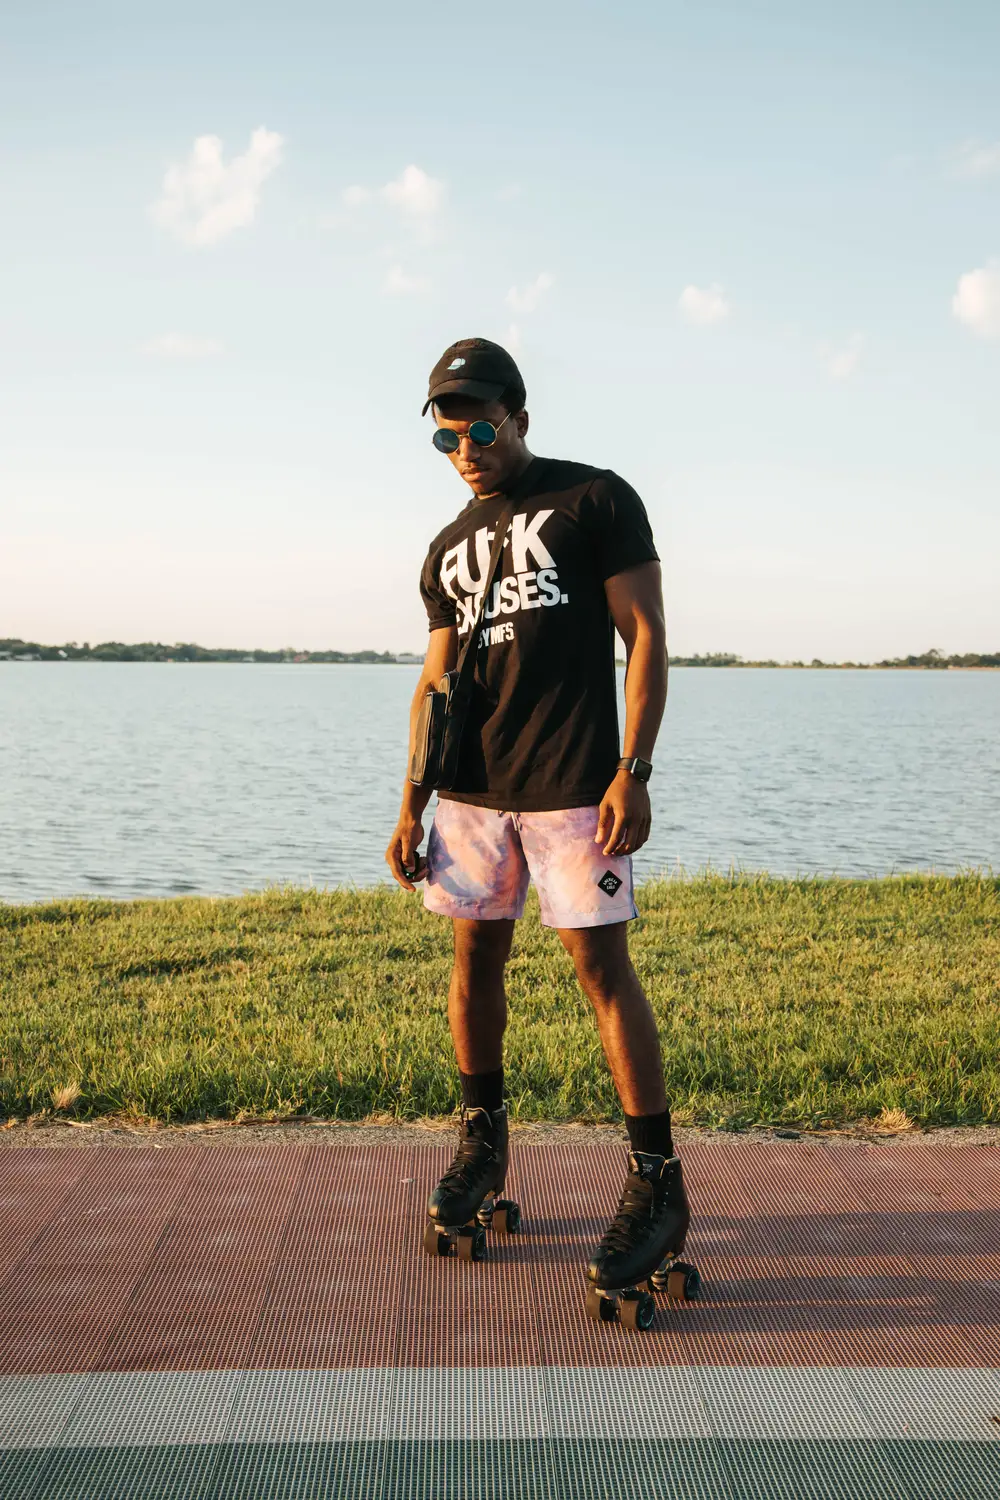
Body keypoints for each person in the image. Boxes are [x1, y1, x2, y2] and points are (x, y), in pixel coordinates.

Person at [385, 337, 696, 1326]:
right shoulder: (445, 549)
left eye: (480, 423)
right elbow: (435, 685)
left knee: (602, 974)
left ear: (519, 416)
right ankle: (481, 1141)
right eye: (446, 431)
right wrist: (410, 799)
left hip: (571, 787)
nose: (465, 444)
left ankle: (655, 1180)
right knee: (472, 965)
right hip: (472, 794)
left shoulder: (594, 499)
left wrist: (632, 769)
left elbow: (642, 634)